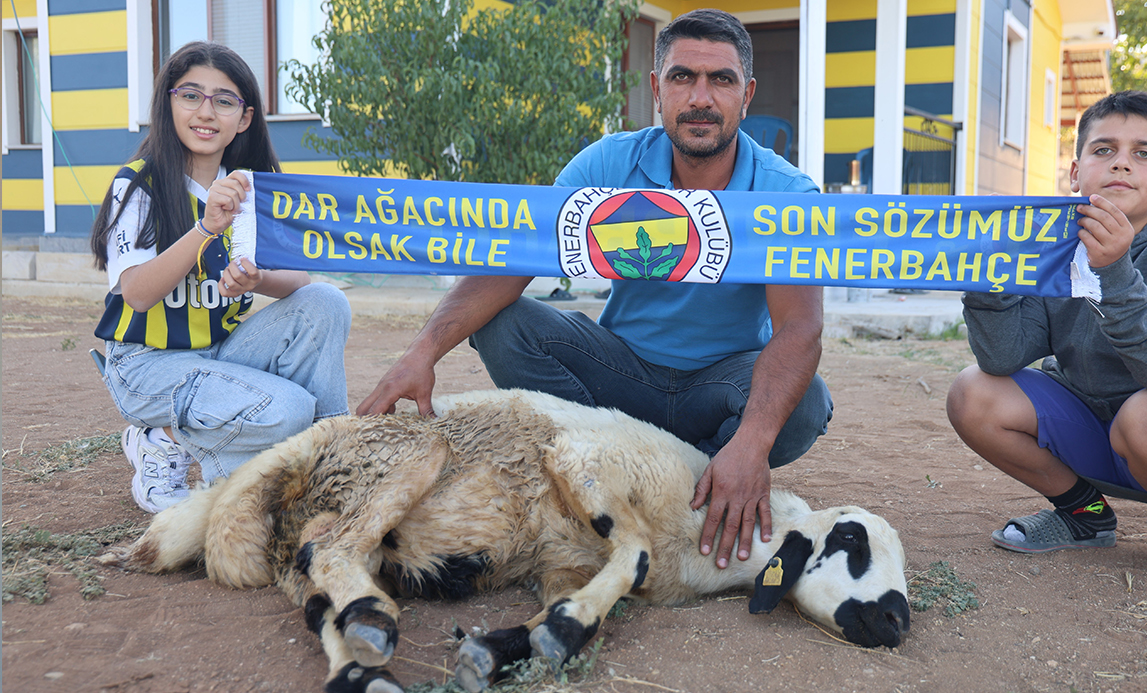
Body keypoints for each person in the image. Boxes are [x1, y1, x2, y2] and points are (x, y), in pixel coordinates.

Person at [359, 9, 832, 570]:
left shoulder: (785, 191)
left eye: (721, 80)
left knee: (805, 403)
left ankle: (692, 477)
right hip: (620, 375)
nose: (701, 97)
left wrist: (753, 442)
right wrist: (420, 352)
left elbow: (800, 328)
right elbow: (514, 260)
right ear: (657, 89)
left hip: (722, 386)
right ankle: (599, 464)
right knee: (505, 323)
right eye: (683, 77)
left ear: (746, 94)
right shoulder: (609, 162)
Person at [946, 90, 1147, 591]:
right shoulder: (1054, 243)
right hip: (1094, 423)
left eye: (1143, 153)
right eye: (1103, 150)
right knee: (972, 391)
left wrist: (1113, 268)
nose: (1121, 165)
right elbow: (1002, 356)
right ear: (1075, 172)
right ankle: (1084, 514)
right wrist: (988, 280)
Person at [89, 42, 351, 514]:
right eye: (191, 95)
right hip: (146, 365)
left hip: (216, 354)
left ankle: (334, 455)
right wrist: (207, 228)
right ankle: (162, 439)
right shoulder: (139, 183)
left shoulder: (248, 186)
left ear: (244, 118)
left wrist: (255, 280)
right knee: (288, 410)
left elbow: (298, 282)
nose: (205, 112)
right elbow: (137, 293)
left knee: (327, 302)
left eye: (224, 101)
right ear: (168, 104)